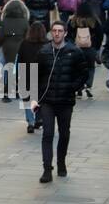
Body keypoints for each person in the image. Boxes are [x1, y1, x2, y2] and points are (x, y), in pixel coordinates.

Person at [33, 20, 92, 183]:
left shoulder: (74, 52)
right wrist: (35, 96)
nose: (57, 33)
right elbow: (35, 75)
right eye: (54, 31)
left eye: (60, 31)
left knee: (64, 134)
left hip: (65, 101)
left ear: (65, 33)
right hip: (47, 101)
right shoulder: (44, 52)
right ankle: (46, 169)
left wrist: (73, 87)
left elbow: (84, 74)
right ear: (51, 33)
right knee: (48, 134)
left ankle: (61, 162)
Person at [0, 0, 30, 101]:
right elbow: (28, 36)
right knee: (19, 70)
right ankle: (17, 91)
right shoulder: (24, 22)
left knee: (8, 69)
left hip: (7, 48)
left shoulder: (4, 22)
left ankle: (6, 94)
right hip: (21, 48)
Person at [17, 21, 48, 134]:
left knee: (27, 99)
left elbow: (20, 61)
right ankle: (39, 117)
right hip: (43, 75)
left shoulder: (24, 43)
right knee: (41, 98)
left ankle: (30, 122)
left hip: (27, 74)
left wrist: (17, 78)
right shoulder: (47, 44)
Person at [67, 3, 103, 98]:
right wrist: (97, 47)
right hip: (91, 48)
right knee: (90, 67)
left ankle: (79, 88)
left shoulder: (73, 20)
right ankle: (88, 85)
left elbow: (68, 35)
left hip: (76, 48)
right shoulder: (94, 21)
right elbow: (100, 35)